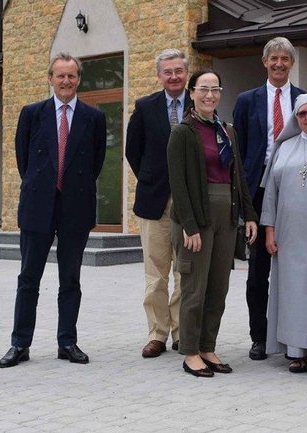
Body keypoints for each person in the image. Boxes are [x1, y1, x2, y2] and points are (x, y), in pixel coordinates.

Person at [0, 52, 106, 368]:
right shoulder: (32, 114)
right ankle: (20, 344)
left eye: (71, 75)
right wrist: (44, 186)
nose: (65, 81)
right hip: (37, 206)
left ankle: (67, 342)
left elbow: (95, 163)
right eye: (60, 75)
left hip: (76, 207)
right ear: (50, 78)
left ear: (78, 79)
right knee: (28, 278)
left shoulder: (93, 118)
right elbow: (24, 160)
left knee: (70, 279)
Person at [168, 69, 259, 377]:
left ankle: (208, 346)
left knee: (218, 286)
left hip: (227, 215)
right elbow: (178, 183)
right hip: (198, 215)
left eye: (215, 89)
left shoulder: (227, 130)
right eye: (203, 89)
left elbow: (239, 176)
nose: (209, 95)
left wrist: (248, 214)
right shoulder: (183, 132)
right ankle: (190, 351)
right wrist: (189, 225)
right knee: (195, 286)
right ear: (191, 92)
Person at [233, 36, 307, 361]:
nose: (279, 64)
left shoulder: (305, 99)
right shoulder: (247, 100)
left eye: (285, 59)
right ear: (264, 62)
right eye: (273, 58)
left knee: (296, 266)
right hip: (258, 190)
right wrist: (244, 200)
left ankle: (296, 336)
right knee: (258, 269)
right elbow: (239, 152)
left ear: (292, 64)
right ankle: (259, 336)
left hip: (296, 188)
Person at [261, 94, 307, 374]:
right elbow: (271, 192)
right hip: (288, 235)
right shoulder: (286, 147)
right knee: (292, 292)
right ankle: (296, 350)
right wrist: (270, 230)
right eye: (302, 113)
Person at [125, 48, 190, 358]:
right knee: (156, 272)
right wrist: (151, 179)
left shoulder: (199, 103)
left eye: (179, 70)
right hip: (154, 203)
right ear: (159, 75)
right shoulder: (145, 106)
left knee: (184, 271)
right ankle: (157, 334)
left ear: (186, 73)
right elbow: (132, 150)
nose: (174, 76)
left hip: (189, 202)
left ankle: (182, 332)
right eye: (168, 71)